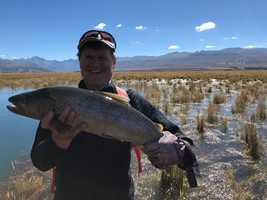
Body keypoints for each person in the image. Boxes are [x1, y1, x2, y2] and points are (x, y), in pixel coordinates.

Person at [30, 30, 198, 200]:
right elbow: (40, 161)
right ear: (79, 62)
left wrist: (179, 149)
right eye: (88, 57)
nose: (95, 64)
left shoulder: (130, 100)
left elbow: (182, 139)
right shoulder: (60, 102)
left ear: (114, 61)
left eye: (102, 57)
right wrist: (59, 141)